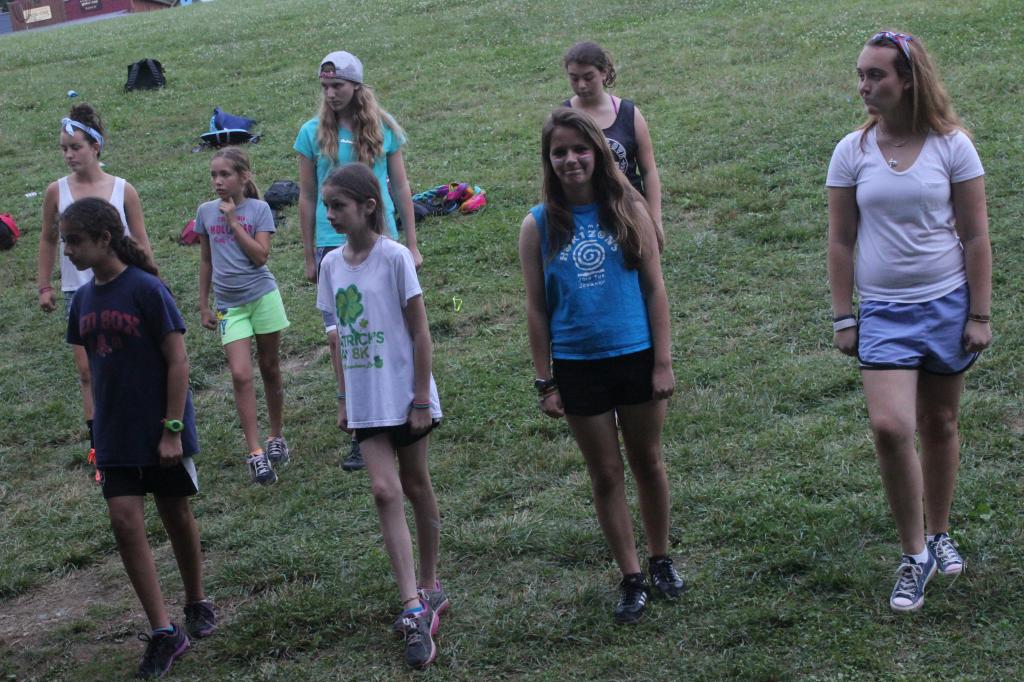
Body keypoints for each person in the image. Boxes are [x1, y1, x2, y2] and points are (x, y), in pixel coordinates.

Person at [827, 30, 991, 613]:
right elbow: (840, 241)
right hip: (884, 312)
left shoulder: (953, 147)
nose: (864, 86)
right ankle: (914, 553)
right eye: (861, 75)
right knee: (891, 427)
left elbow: (975, 236)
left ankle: (939, 531)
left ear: (908, 80)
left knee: (940, 422)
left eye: (876, 75)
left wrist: (979, 313)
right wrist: (844, 316)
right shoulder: (852, 151)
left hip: (946, 304)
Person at [519, 108, 684, 624]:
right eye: (559, 152)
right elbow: (536, 309)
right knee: (607, 473)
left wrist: (662, 362)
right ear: (548, 160)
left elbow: (654, 289)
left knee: (647, 461)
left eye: (580, 149)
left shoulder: (629, 207)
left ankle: (660, 558)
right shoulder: (538, 225)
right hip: (577, 365)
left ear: (598, 152)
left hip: (635, 355)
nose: (570, 159)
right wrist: (546, 380)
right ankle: (631, 576)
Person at [62, 197, 216, 679]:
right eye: (64, 241)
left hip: (159, 431)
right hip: (113, 435)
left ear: (104, 239)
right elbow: (90, 374)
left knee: (175, 514)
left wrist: (172, 429)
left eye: (74, 241)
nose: (67, 250)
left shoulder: (147, 289)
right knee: (125, 522)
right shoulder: (82, 300)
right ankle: (164, 631)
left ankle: (196, 599)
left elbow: (178, 361)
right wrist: (94, 430)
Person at [316, 163, 448, 669]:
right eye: (327, 207)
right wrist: (343, 398)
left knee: (415, 484)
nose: (331, 215)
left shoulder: (394, 258)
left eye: (338, 206)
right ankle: (412, 605)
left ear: (369, 206)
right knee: (383, 490)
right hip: (366, 400)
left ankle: (430, 584)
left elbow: (420, 332)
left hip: (405, 393)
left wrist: (420, 398)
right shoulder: (331, 265)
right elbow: (336, 338)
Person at [296, 50, 421, 473]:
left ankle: (404, 407)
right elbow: (307, 196)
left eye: (338, 86)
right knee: (342, 339)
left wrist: (412, 243)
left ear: (356, 86)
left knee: (387, 332)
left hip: (379, 239)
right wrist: (309, 253)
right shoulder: (311, 133)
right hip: (332, 248)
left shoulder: (382, 129)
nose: (331, 94)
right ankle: (356, 421)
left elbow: (400, 188)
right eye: (325, 87)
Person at [37, 103, 153, 469]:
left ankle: (138, 429)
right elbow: (47, 239)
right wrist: (44, 285)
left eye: (76, 147)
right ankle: (98, 444)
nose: (69, 155)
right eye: (64, 148)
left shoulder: (123, 189)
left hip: (124, 289)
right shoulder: (56, 191)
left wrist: (153, 282)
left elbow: (141, 240)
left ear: (95, 146)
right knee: (89, 371)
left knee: (127, 363)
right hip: (79, 292)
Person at [195, 147, 290, 486]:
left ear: (243, 176)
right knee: (240, 374)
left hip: (263, 298)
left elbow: (260, 256)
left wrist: (234, 222)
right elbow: (206, 260)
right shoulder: (205, 212)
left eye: (225, 174)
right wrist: (203, 304)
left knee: (270, 366)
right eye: (214, 175)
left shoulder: (260, 210)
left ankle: (276, 436)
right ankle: (255, 452)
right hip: (229, 305)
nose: (218, 181)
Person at [562, 40, 664, 248]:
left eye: (588, 77)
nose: (581, 85)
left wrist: (655, 220)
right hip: (585, 217)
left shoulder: (629, 114)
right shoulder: (564, 119)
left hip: (630, 211)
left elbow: (649, 170)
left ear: (604, 73)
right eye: (574, 78)